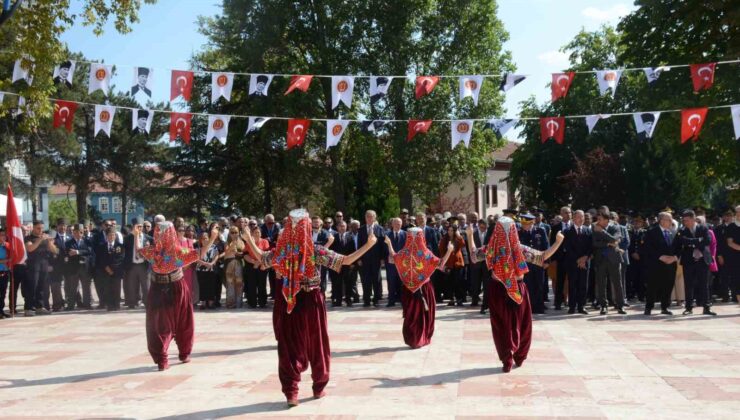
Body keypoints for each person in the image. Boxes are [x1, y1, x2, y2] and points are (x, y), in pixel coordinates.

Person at [241, 209, 377, 407]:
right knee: (317, 344)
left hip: (290, 300)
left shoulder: (282, 250)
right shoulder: (314, 250)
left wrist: (248, 239)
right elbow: (345, 260)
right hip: (310, 300)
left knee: (289, 346)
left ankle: (292, 392)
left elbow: (262, 258)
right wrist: (369, 244)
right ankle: (318, 387)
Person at [466, 218, 564, 372]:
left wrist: (470, 235)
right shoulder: (516, 249)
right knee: (518, 324)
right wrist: (558, 242)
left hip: (504, 290)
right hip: (510, 290)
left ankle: (509, 358)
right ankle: (515, 356)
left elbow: (473, 255)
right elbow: (543, 256)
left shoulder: (494, 249)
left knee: (504, 326)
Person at [138, 215, 201, 371]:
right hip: (165, 287)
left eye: (161, 231)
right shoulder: (159, 251)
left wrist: (136, 236)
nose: (158, 234)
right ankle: (168, 357)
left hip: (171, 287)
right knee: (166, 324)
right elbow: (196, 254)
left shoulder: (168, 251)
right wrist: (136, 236)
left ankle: (179, 354)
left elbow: (195, 255)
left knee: (174, 322)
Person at [383, 228, 453, 348]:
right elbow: (441, 264)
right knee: (423, 315)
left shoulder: (404, 253)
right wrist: (449, 251)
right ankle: (421, 338)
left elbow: (393, 258)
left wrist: (389, 244)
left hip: (408, 290)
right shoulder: (425, 253)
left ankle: (413, 339)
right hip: (424, 289)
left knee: (411, 315)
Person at [674, 210, 716, 316]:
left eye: (687, 220)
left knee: (704, 284)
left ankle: (706, 307)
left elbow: (707, 240)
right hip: (688, 260)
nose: (685, 222)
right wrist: (698, 241)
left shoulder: (703, 228)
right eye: (684, 221)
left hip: (702, 260)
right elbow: (682, 241)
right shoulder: (682, 230)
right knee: (689, 285)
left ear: (693, 219)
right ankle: (689, 307)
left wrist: (690, 242)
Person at [640, 212, 678, 315]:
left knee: (668, 285)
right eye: (669, 220)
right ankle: (649, 307)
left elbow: (677, 247)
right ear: (661, 220)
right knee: (652, 286)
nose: (671, 222)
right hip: (655, 264)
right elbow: (647, 248)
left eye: (671, 220)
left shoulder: (673, 232)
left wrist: (674, 257)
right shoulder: (651, 232)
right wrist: (660, 257)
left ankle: (665, 307)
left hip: (670, 264)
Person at [592, 210, 626, 315]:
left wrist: (602, 232)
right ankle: (603, 306)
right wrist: (608, 243)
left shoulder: (615, 227)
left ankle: (620, 306)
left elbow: (615, 239)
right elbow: (595, 243)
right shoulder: (595, 228)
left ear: (606, 220)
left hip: (614, 259)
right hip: (600, 259)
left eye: (600, 219)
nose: (598, 221)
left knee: (617, 283)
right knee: (601, 283)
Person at [517, 213, 550, 314]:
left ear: (532, 223)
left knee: (539, 285)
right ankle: (528, 307)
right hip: (525, 264)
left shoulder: (540, 231)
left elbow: (546, 246)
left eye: (527, 224)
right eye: (523, 224)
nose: (524, 226)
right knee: (528, 285)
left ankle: (539, 307)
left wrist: (547, 261)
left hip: (538, 263)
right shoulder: (518, 233)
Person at [25, 220, 57, 315]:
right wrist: (39, 239)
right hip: (33, 265)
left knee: (42, 286)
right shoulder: (28, 238)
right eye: (38, 228)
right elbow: (30, 248)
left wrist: (50, 242)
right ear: (33, 228)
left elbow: (55, 251)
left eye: (42, 228)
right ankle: (28, 308)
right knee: (32, 286)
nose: (40, 230)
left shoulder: (45, 238)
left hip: (44, 264)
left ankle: (39, 307)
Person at [564, 210, 592, 314]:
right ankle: (572, 306)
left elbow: (591, 247)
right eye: (579, 217)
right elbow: (568, 247)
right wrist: (578, 260)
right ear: (574, 218)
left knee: (583, 284)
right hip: (572, 262)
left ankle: (582, 306)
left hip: (585, 263)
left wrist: (584, 258)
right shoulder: (567, 231)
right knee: (572, 284)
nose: (581, 219)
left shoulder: (588, 230)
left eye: (583, 217)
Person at [358, 210, 386, 307]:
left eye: (371, 217)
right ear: (365, 218)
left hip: (376, 259)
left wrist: (382, 258)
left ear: (375, 218)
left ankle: (376, 299)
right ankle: (366, 300)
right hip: (364, 259)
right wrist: (359, 258)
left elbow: (382, 245)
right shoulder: (361, 230)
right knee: (366, 279)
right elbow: (359, 245)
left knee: (376, 279)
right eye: (367, 217)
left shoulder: (380, 229)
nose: (369, 218)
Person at [124, 217, 152, 309]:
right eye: (137, 226)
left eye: (141, 226)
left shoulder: (147, 238)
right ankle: (132, 303)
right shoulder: (128, 238)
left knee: (146, 286)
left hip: (144, 265)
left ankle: (148, 303)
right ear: (133, 227)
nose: (139, 228)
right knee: (132, 285)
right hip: (132, 265)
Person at [64, 224, 94, 310]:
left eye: (80, 232)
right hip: (74, 268)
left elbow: (89, 251)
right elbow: (68, 252)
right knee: (72, 287)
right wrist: (76, 253)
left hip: (85, 268)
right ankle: (71, 305)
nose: (78, 234)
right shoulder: (68, 242)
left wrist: (77, 252)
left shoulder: (87, 241)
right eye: (76, 232)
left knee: (86, 287)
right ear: (73, 232)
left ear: (83, 232)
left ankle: (87, 304)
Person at [439, 220, 466, 306]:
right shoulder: (445, 238)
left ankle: (459, 298)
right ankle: (451, 299)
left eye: (452, 230)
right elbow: (441, 249)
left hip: (457, 262)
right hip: (448, 263)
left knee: (458, 281)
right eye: (449, 230)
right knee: (449, 282)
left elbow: (463, 244)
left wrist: (458, 235)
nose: (450, 232)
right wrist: (443, 261)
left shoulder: (457, 238)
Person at [195, 225, 222, 310]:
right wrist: (205, 263)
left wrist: (212, 263)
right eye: (203, 238)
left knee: (211, 286)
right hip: (201, 270)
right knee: (202, 286)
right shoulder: (198, 248)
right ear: (200, 240)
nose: (205, 240)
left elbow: (217, 255)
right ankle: (203, 302)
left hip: (211, 269)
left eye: (206, 238)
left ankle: (210, 302)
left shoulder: (213, 246)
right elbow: (196, 259)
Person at [244, 223, 269, 308]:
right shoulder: (249, 243)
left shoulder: (265, 241)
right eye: (255, 233)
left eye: (258, 232)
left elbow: (266, 254)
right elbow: (245, 255)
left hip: (262, 266)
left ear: (261, 233)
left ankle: (262, 302)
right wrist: (253, 262)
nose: (257, 234)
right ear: (252, 234)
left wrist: (258, 263)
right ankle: (252, 303)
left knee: (262, 285)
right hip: (251, 266)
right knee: (252, 285)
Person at [222, 226, 245, 309]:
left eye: (236, 232)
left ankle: (239, 303)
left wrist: (237, 253)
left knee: (239, 283)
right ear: (229, 234)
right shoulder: (226, 242)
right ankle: (230, 303)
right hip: (229, 264)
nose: (234, 234)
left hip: (238, 263)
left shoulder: (242, 242)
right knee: (230, 283)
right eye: (232, 232)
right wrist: (232, 245)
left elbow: (243, 253)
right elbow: (226, 254)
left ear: (238, 233)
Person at [385, 218, 406, 307]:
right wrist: (387, 256)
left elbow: (407, 248)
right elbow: (383, 248)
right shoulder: (387, 235)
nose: (398, 225)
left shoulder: (405, 234)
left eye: (400, 224)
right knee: (391, 282)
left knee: (402, 282)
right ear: (392, 224)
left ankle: (402, 300)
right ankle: (391, 301)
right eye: (396, 224)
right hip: (391, 263)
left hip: (402, 263)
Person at [50, 218, 70, 311]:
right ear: (57, 226)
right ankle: (57, 305)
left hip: (69, 266)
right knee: (56, 286)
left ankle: (71, 303)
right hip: (56, 265)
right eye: (60, 225)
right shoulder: (53, 239)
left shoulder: (71, 237)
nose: (63, 227)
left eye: (64, 225)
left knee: (70, 285)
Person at [725, 205, 740, 303]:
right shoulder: (731, 226)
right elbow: (730, 242)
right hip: (736, 257)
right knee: (737, 279)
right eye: (738, 212)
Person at [0, 228, 10, 318]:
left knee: (3, 293)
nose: (3, 237)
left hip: (5, 271)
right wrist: (6, 260)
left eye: (4, 235)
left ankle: (1, 310)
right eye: (1, 235)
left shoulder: (6, 246)